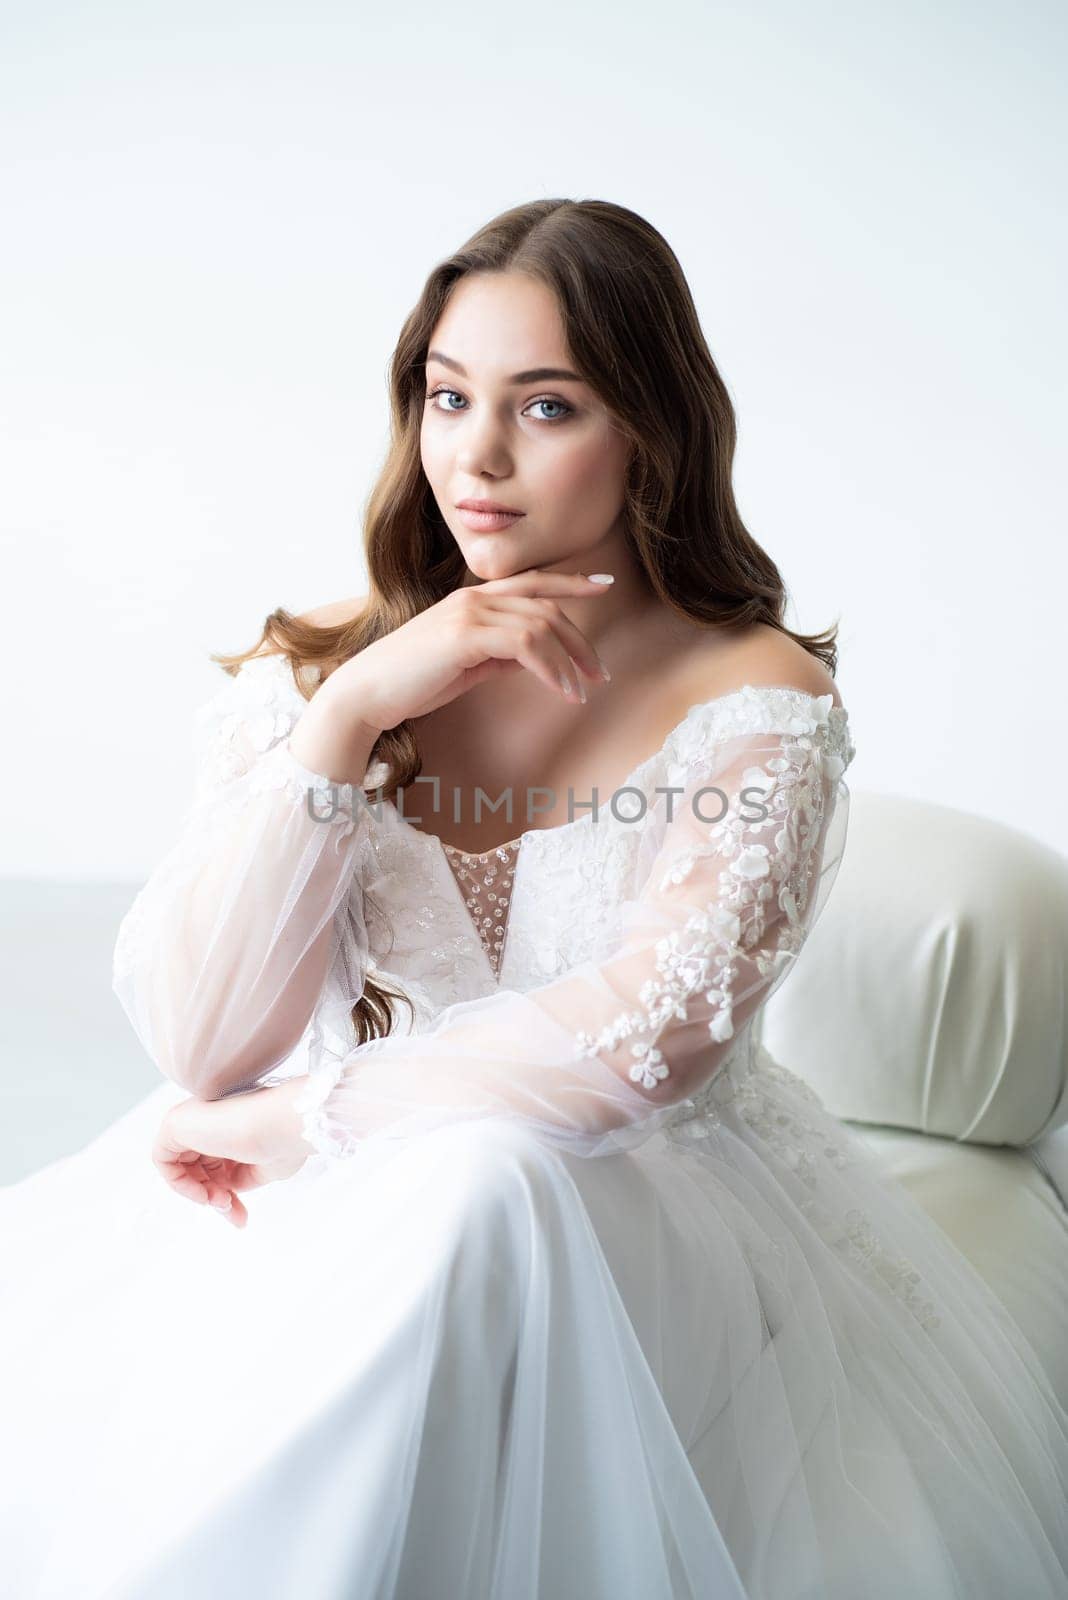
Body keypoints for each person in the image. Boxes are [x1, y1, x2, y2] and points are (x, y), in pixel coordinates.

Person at [3, 198, 1066, 1600]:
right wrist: (353, 717)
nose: (476, 456)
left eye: (545, 405)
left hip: (649, 1215)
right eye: (447, 397)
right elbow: (202, 1048)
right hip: (331, 1204)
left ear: (652, 429)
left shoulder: (758, 701)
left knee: (485, 1177)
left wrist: (308, 1123)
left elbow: (643, 1045)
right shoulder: (323, 671)